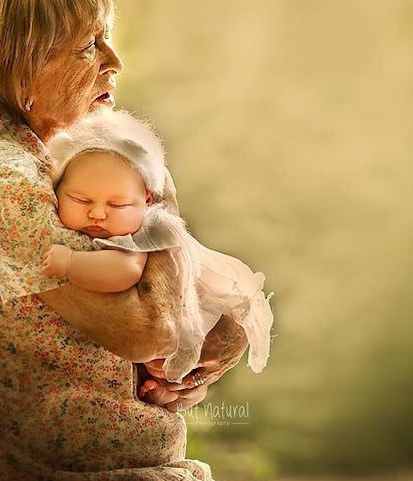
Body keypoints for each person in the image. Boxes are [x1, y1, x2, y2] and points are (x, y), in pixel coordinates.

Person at [0, 0, 280, 481]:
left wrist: (211, 349)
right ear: (21, 72)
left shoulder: (59, 165)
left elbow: (203, 312)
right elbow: (152, 330)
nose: (114, 60)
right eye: (88, 44)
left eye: (106, 36)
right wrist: (161, 212)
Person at [39, 108, 274, 398]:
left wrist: (71, 262)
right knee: (162, 370)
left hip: (201, 314)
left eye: (119, 205)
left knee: (176, 365)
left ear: (146, 201)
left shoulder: (148, 229)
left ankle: (172, 392)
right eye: (80, 199)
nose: (97, 213)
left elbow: (125, 272)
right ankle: (166, 393)